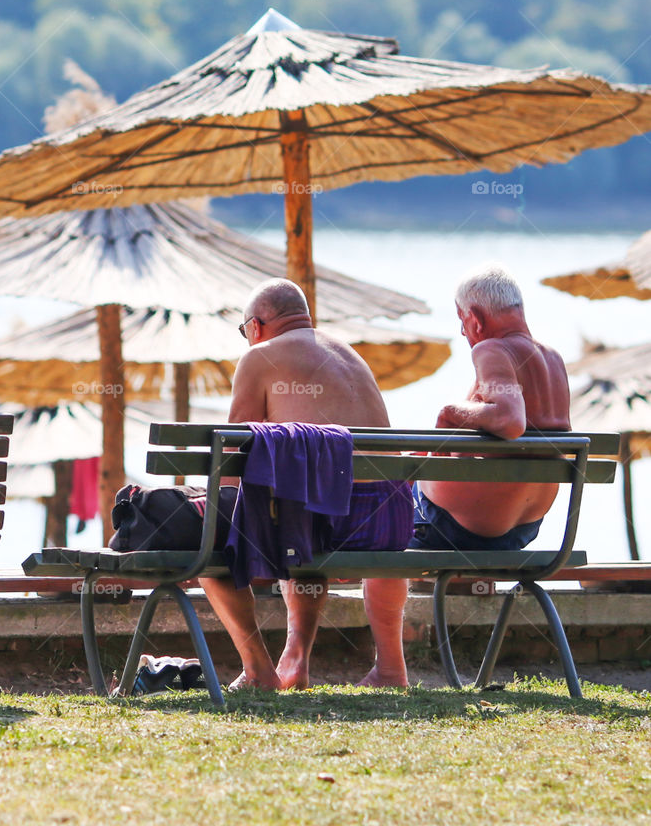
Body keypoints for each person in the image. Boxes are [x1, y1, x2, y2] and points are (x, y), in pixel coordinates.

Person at [200, 278, 413, 692]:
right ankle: (386, 667)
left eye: (245, 331)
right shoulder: (349, 353)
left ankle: (260, 669)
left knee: (210, 534)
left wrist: (209, 504)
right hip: (390, 517)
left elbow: (231, 461)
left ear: (256, 326)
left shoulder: (259, 357)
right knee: (298, 504)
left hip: (327, 517)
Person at [415, 265, 570, 550]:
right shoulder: (553, 359)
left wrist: (449, 412)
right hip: (524, 527)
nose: (462, 332)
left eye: (461, 320)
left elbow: (510, 420)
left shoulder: (491, 349)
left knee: (389, 505)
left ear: (474, 318)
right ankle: (464, 590)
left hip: (462, 527)